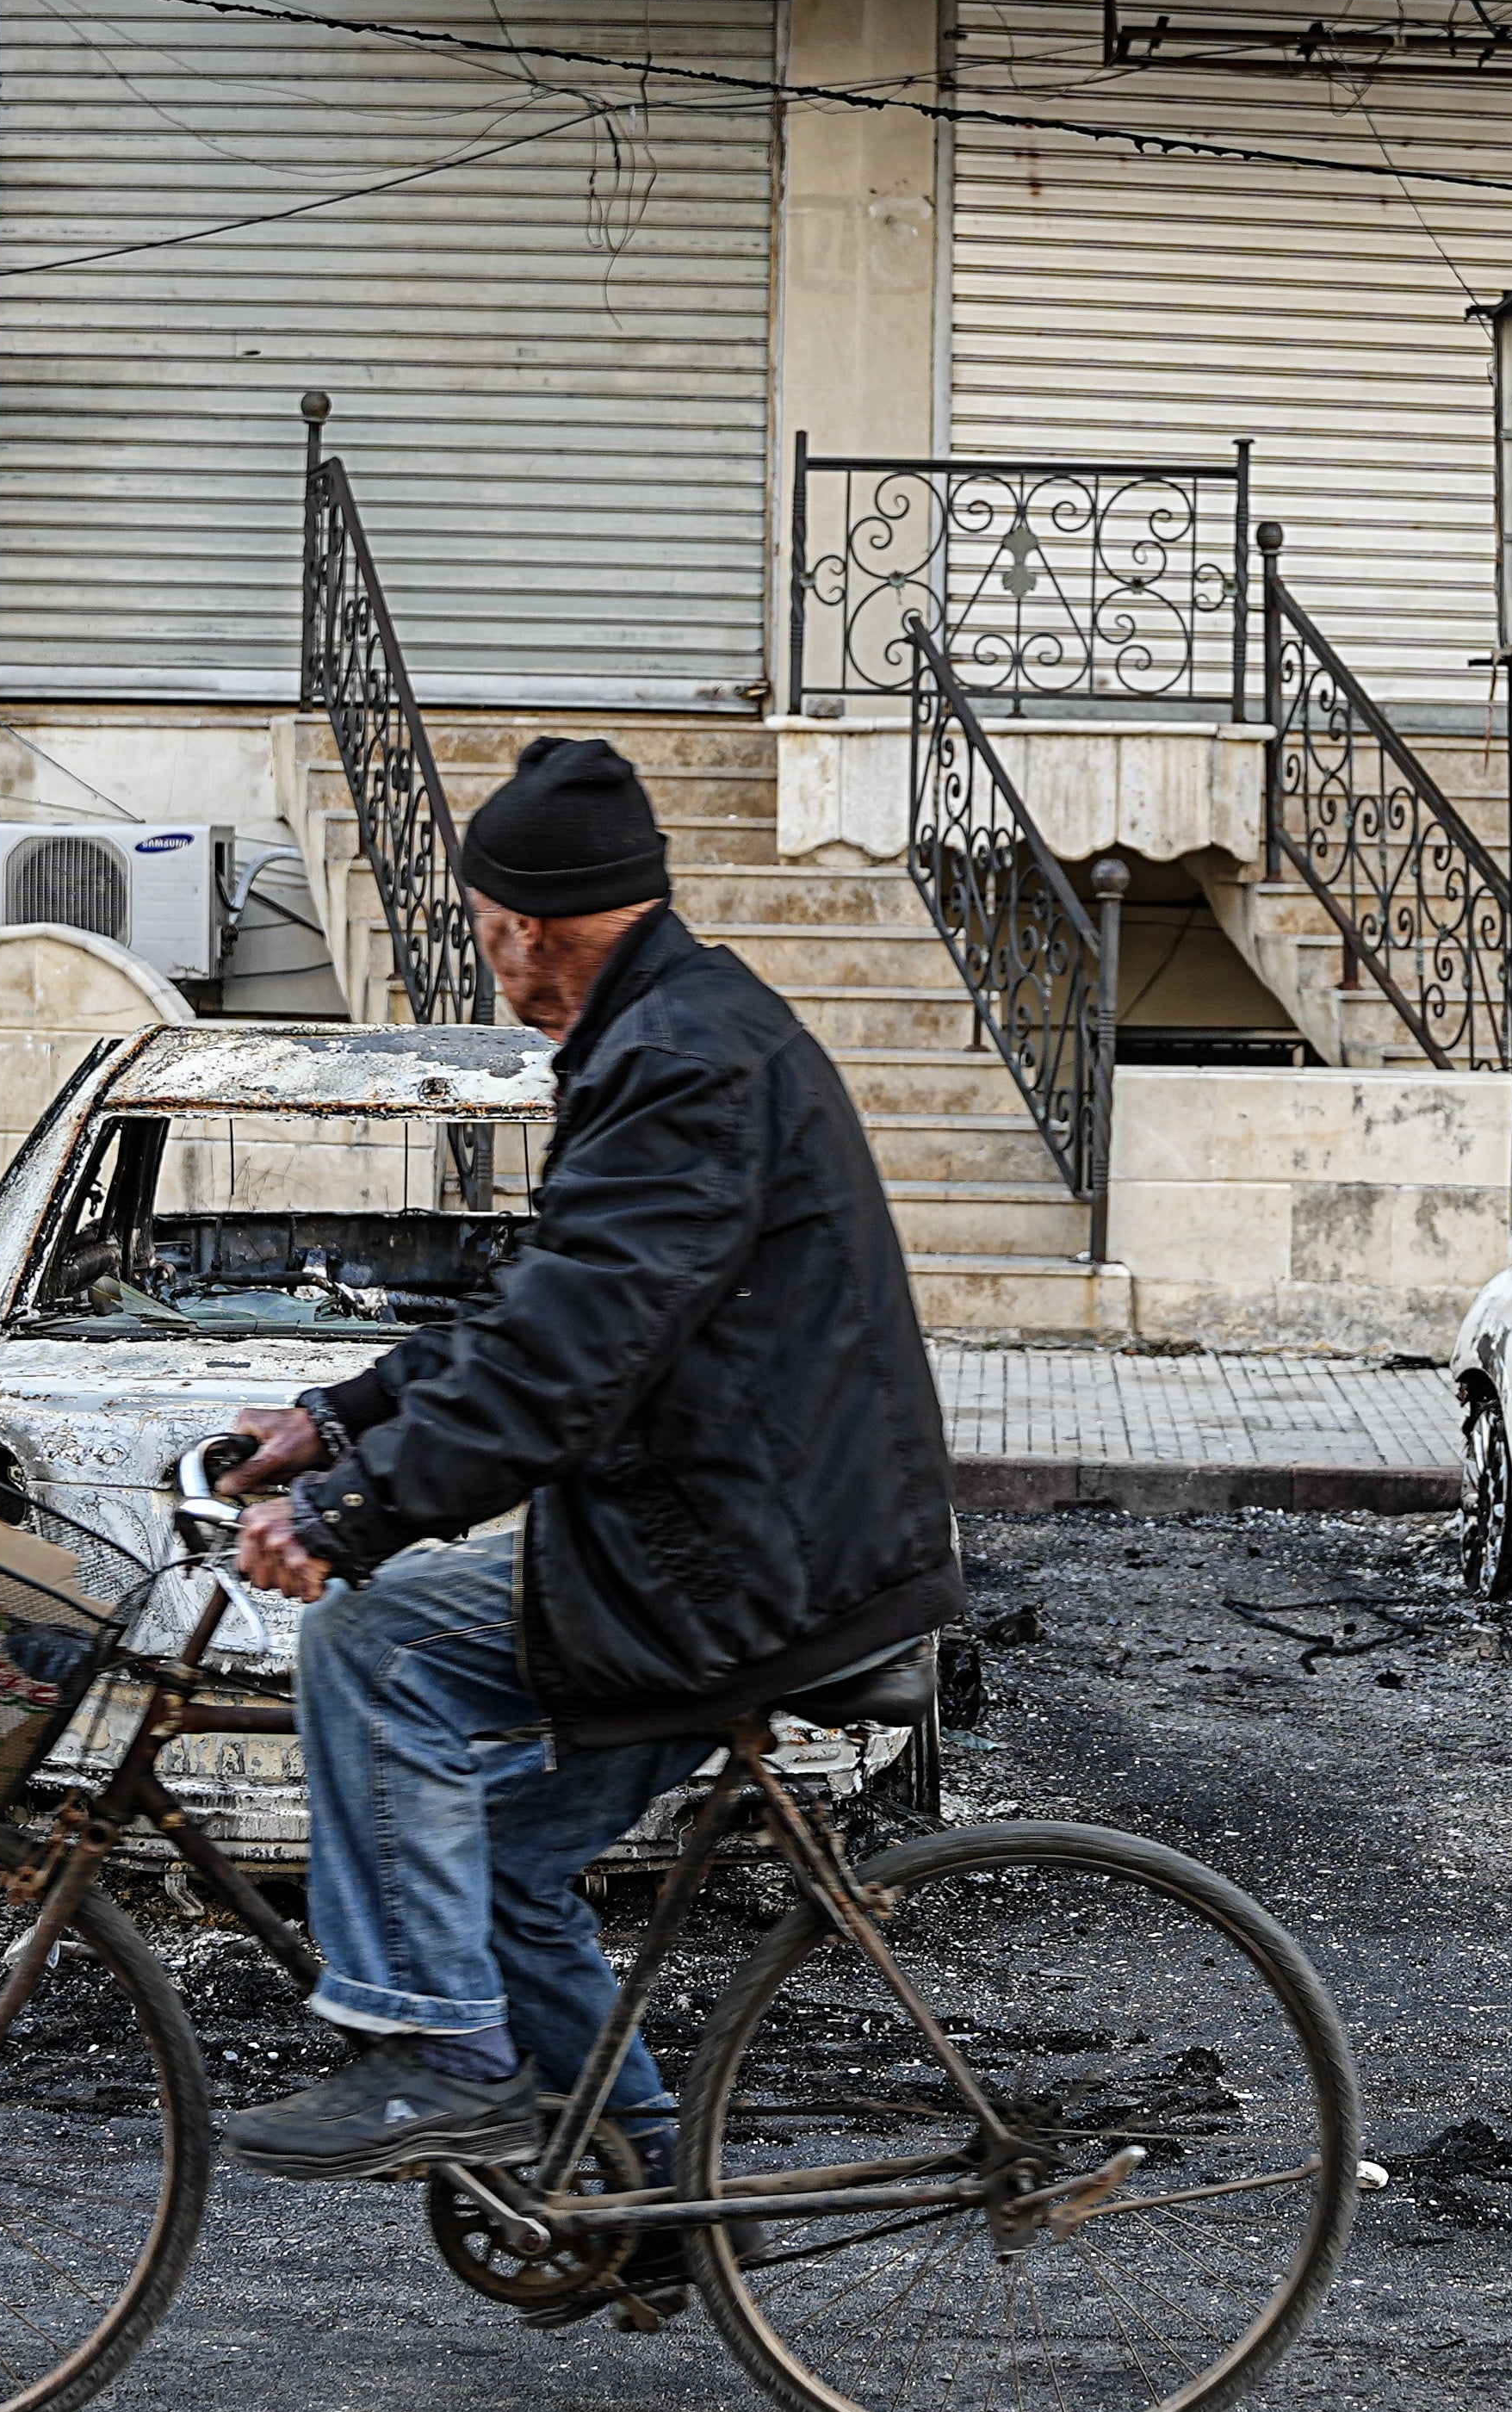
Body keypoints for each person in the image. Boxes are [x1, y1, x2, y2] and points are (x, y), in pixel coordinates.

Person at [206, 735, 958, 2188]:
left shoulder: (680, 1061)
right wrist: (342, 1418)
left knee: (371, 1647)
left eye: (487, 930)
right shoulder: (674, 1029)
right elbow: (547, 1304)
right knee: (488, 1870)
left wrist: (350, 1518)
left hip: (743, 1569)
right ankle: (649, 2181)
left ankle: (441, 2054)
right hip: (745, 1536)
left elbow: (565, 1364)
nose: (490, 960)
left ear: (527, 926)